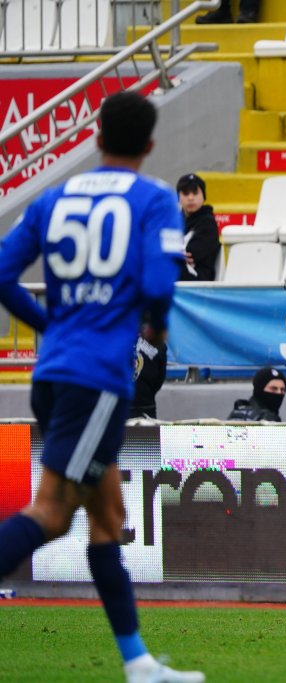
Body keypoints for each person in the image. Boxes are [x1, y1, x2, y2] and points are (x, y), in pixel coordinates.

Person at [0, 92, 204, 682]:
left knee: (108, 517)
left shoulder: (53, 197)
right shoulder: (152, 199)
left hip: (56, 372)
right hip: (96, 381)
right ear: (148, 144)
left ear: (96, 137)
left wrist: (50, 325)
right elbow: (160, 288)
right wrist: (155, 330)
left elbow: (2, 274)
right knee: (53, 514)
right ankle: (138, 663)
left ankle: (138, 662)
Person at [176, 173, 219, 282]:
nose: (190, 198)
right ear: (178, 197)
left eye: (195, 193)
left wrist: (172, 252)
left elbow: (191, 254)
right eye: (186, 193)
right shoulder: (175, 220)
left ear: (203, 197)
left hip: (198, 278)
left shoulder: (208, 223)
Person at [130, 326, 167, 420]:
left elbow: (159, 379)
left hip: (143, 407)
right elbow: (159, 379)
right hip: (143, 405)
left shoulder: (112, 337)